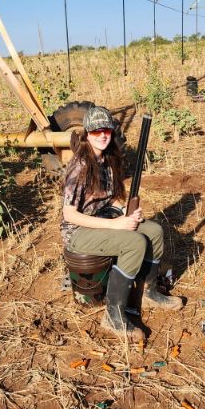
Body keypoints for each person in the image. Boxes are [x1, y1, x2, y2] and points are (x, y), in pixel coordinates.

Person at [62, 105, 182, 340]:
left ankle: (148, 293)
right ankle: (113, 316)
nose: (102, 135)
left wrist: (126, 211)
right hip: (78, 232)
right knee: (134, 242)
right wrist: (116, 224)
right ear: (87, 134)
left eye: (106, 130)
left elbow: (111, 197)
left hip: (104, 218)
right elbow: (70, 215)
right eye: (96, 131)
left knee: (154, 231)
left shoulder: (108, 158)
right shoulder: (80, 167)